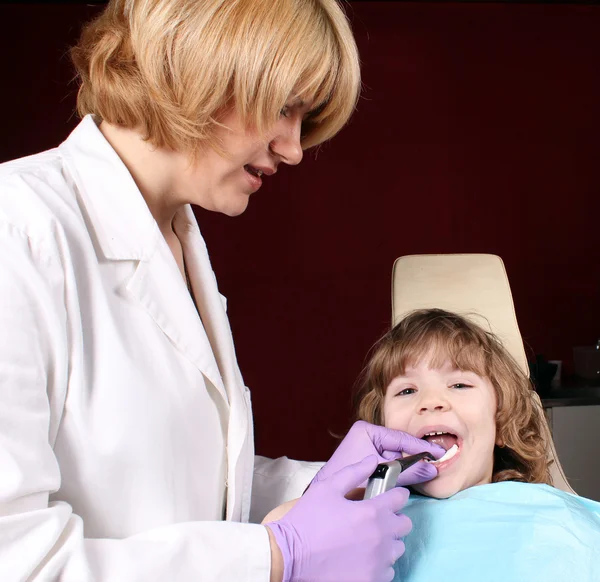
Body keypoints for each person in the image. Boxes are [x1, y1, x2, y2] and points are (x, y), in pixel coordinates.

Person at [0, 1, 444, 581]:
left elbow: (181, 484)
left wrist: (331, 484)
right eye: (285, 109)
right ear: (198, 65)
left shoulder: (179, 237)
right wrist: (276, 555)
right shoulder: (19, 229)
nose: (293, 148)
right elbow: (18, 557)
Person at [353, 308, 600, 581]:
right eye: (407, 390)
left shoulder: (560, 522)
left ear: (501, 424)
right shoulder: (364, 518)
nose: (431, 401)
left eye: (459, 384)